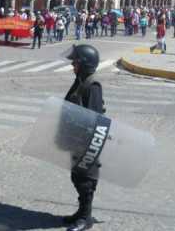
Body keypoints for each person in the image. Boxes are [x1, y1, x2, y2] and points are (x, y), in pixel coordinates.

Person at [62, 44, 104, 231]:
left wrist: (87, 145)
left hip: (86, 142)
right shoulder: (81, 80)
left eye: (76, 62)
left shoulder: (92, 85)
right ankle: (81, 211)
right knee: (76, 176)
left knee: (85, 180)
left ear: (85, 64)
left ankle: (86, 218)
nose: (73, 65)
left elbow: (93, 117)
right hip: (76, 139)